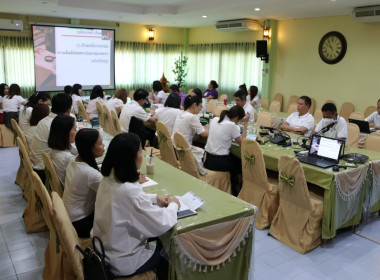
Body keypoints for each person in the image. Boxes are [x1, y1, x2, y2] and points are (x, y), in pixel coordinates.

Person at [93, 133, 179, 278]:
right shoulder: (128, 190)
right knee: (169, 250)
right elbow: (160, 223)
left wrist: (155, 198)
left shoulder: (109, 177)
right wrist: (173, 205)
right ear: (129, 158)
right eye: (139, 151)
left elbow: (129, 202)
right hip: (124, 261)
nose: (142, 155)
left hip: (105, 247)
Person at [63, 128, 104, 238]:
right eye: (100, 143)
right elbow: (112, 194)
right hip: (80, 223)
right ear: (90, 148)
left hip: (69, 216)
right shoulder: (90, 173)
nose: (103, 145)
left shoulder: (75, 159)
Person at [204, 105, 249, 196]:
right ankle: (236, 191)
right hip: (219, 162)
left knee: (233, 158)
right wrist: (245, 124)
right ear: (236, 118)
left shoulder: (215, 119)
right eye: (239, 120)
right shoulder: (232, 126)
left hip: (207, 159)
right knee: (240, 164)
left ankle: (234, 186)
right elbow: (243, 143)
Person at [30, 93, 72, 183]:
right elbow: (70, 147)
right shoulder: (57, 124)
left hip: (36, 164)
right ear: (69, 109)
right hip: (44, 171)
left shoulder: (44, 120)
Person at [48, 115, 77, 186]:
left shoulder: (54, 149)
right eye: (75, 129)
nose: (76, 132)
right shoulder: (68, 158)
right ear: (65, 133)